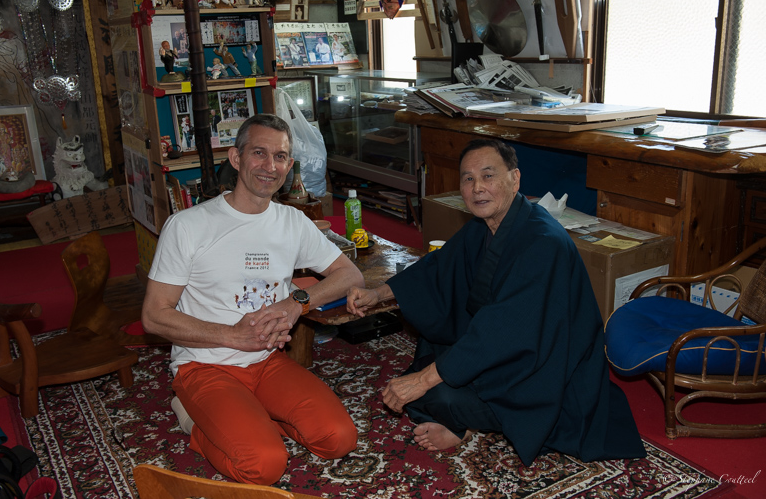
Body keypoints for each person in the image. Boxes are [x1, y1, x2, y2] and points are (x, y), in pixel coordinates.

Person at [346, 138, 645, 466]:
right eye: (468, 178)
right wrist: (378, 293)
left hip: (546, 369)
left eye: (488, 176)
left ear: (515, 179)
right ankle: (463, 414)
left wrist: (423, 380)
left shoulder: (543, 244)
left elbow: (501, 331)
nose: (477, 188)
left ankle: (466, 427)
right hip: (507, 346)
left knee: (435, 392)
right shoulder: (485, 225)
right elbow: (438, 268)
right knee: (434, 341)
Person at [142, 114, 363, 484]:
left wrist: (296, 303)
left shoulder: (292, 221)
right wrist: (233, 336)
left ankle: (252, 418)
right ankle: (193, 420)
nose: (269, 166)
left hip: (266, 361)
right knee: (263, 466)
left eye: (280, 157)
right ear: (236, 158)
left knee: (339, 440)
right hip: (204, 366)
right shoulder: (188, 226)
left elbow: (350, 274)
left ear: (289, 166)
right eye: (259, 153)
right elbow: (153, 316)